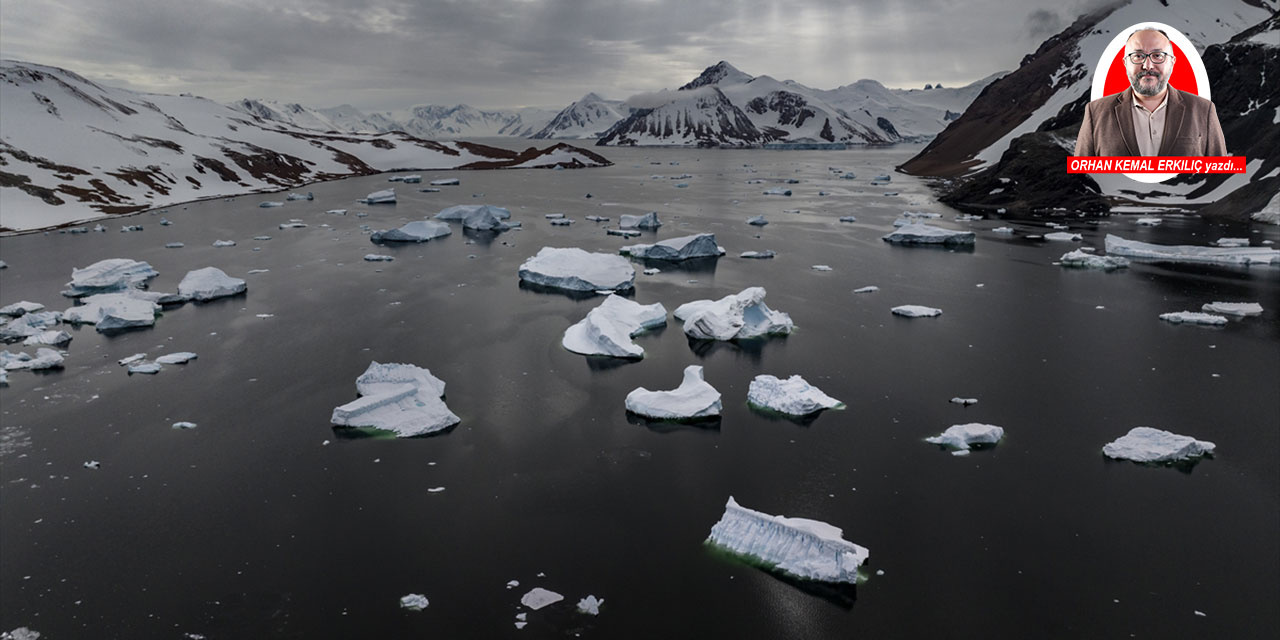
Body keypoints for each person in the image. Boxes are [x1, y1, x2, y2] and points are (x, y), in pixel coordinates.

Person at [1074, 28, 1227, 157]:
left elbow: (1220, 176)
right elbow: (1080, 177)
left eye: (1157, 56)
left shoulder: (1203, 110)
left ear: (1172, 62)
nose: (1147, 65)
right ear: (1125, 63)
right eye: (1138, 56)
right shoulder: (1096, 113)